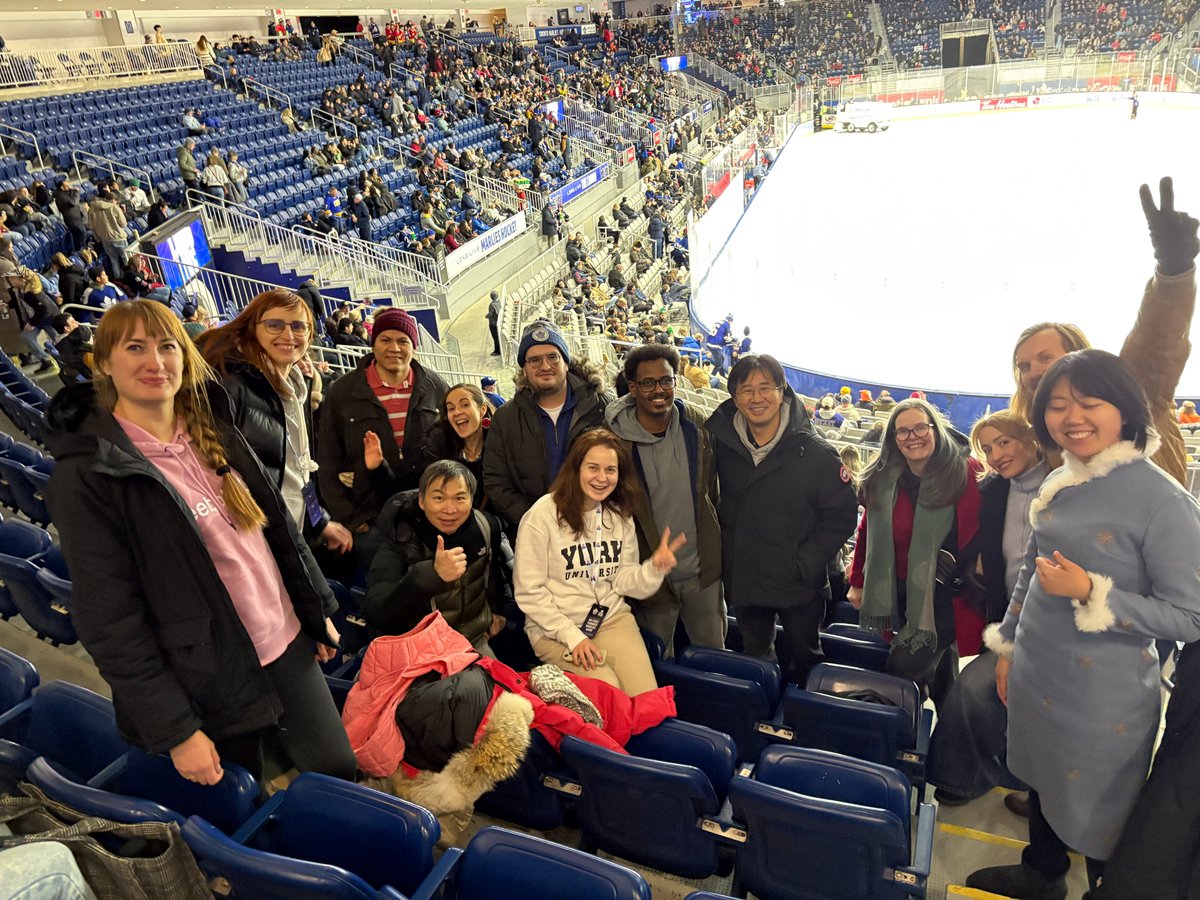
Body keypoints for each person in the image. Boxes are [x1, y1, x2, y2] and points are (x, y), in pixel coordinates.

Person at [44, 300, 356, 785]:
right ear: (103, 362)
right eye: (135, 348)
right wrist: (176, 730)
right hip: (211, 675)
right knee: (246, 801)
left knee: (337, 771)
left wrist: (314, 610)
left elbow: (277, 526)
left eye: (168, 346)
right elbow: (110, 620)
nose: (155, 361)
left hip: (286, 641)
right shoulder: (87, 477)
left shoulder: (213, 425)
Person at [966, 350, 1200, 898]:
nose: (1072, 416)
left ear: (1125, 408)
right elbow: (1031, 571)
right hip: (1037, 671)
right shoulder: (1063, 481)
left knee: (1100, 811)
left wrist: (1093, 592)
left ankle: (1103, 886)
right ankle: (1041, 872)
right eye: (1057, 404)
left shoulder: (1165, 501)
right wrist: (1006, 646)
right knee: (1041, 782)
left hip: (1102, 698)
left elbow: (1189, 616)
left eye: (1089, 402)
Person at [707, 355, 858, 684]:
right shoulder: (716, 441)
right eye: (747, 389)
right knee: (756, 657)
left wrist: (806, 561)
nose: (756, 398)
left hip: (798, 584)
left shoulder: (816, 453)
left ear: (782, 392)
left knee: (806, 657)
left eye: (765, 388)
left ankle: (803, 719)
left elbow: (843, 514)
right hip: (746, 578)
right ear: (734, 396)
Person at [927, 410, 1046, 806]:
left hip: (1050, 624)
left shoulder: (1063, 486)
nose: (995, 454)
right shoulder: (994, 489)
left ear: (1028, 439)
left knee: (983, 694)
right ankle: (965, 778)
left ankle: (1029, 784)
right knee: (978, 692)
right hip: (1007, 616)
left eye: (1004, 442)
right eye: (988, 448)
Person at [514, 428, 685, 694]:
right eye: (593, 467)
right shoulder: (542, 515)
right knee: (609, 691)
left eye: (610, 470)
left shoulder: (619, 514)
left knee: (646, 699)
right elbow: (529, 593)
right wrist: (573, 637)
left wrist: (653, 569)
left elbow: (624, 581)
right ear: (576, 468)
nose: (602, 478)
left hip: (611, 618)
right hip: (555, 630)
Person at [196, 289, 354, 557]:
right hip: (257, 542)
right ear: (252, 328)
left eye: (298, 327)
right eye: (274, 325)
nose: (288, 335)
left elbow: (299, 470)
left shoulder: (295, 387)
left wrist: (320, 521)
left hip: (294, 531)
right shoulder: (231, 387)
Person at [848, 398, 985, 702]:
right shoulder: (883, 479)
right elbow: (867, 529)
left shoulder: (966, 471)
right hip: (898, 588)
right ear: (894, 439)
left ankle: (897, 735)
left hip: (947, 595)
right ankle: (947, 724)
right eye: (903, 431)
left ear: (935, 429)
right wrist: (858, 580)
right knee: (940, 670)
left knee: (903, 669)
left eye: (921, 427)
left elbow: (983, 529)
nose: (913, 437)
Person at [606, 343, 724, 655]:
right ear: (632, 388)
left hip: (702, 573)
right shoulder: (612, 443)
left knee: (713, 656)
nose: (659, 390)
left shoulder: (696, 424)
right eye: (648, 383)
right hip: (650, 580)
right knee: (659, 664)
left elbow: (710, 489)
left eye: (666, 380)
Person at [317, 307, 449, 565]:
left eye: (403, 341)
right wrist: (354, 519)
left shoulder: (436, 387)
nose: (394, 348)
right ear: (372, 342)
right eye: (385, 340)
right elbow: (327, 461)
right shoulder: (342, 391)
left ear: (414, 347)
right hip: (371, 521)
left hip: (427, 517)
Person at [362, 460, 510, 655]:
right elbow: (377, 612)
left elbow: (491, 571)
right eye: (439, 498)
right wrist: (430, 575)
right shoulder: (401, 539)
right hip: (419, 652)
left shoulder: (484, 526)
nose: (450, 509)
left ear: (471, 500)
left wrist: (497, 608)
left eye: (459, 498)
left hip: (474, 642)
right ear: (422, 501)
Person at [482, 320, 611, 536]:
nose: (545, 366)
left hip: (597, 530)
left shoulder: (600, 406)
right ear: (524, 368)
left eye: (553, 357)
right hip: (536, 534)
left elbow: (623, 468)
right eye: (534, 360)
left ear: (567, 362)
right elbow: (496, 482)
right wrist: (538, 520)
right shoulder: (506, 419)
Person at [441, 382, 493, 510]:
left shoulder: (499, 449)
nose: (457, 412)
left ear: (482, 410)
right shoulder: (442, 452)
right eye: (451, 408)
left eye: (464, 405)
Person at [486, 289, 501, 356]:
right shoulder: (499, 302)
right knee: (498, 337)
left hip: (493, 324)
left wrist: (486, 316)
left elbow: (491, 314)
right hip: (498, 322)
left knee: (495, 337)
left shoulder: (491, 305)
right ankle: (498, 350)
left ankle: (497, 351)